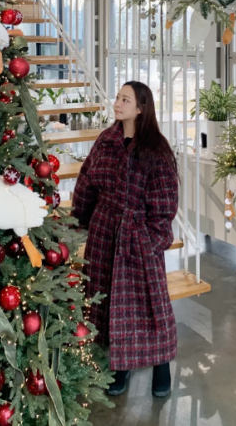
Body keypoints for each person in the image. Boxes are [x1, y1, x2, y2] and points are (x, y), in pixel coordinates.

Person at [72, 81, 179, 397]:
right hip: (105, 232)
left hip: (138, 237)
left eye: (125, 99)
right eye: (118, 97)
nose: (117, 103)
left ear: (141, 108)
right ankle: (120, 366)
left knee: (149, 306)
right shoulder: (106, 140)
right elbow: (87, 181)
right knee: (110, 305)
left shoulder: (156, 150)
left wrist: (152, 240)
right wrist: (80, 220)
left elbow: (166, 202)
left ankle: (162, 366)